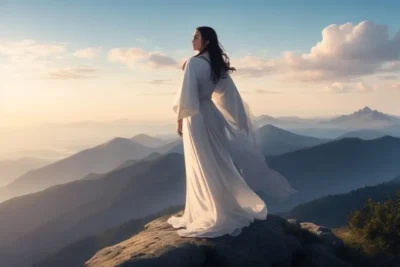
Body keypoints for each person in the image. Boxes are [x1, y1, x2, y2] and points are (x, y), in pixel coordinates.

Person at [167, 26, 295, 238]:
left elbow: (186, 96)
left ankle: (208, 210)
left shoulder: (193, 63)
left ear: (206, 41)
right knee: (216, 161)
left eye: (196, 37)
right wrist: (239, 121)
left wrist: (179, 119)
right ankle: (222, 206)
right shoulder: (215, 65)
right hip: (212, 115)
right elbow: (230, 96)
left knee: (201, 163)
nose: (192, 40)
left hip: (195, 117)